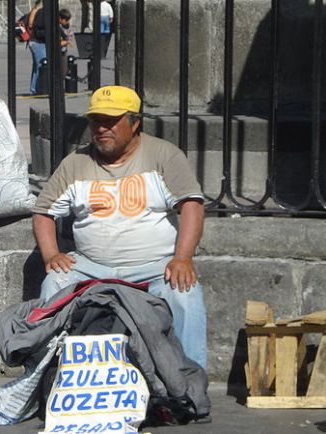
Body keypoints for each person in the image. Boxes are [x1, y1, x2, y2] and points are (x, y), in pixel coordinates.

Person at [31, 85, 208, 369]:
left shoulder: (164, 155)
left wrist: (183, 257)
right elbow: (43, 211)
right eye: (96, 121)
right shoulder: (75, 163)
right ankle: (45, 374)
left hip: (154, 265)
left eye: (111, 121)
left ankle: (189, 385)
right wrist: (51, 254)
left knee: (184, 292)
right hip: (91, 265)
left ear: (134, 122)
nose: (102, 128)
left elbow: (192, 205)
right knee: (54, 282)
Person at [28, 0, 46, 94]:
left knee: (37, 66)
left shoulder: (36, 11)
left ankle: (34, 88)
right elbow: (34, 25)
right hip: (37, 42)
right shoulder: (39, 11)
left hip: (35, 41)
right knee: (41, 65)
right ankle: (37, 89)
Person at [59, 9, 74, 78]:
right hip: (58, 51)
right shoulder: (58, 27)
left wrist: (67, 41)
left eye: (68, 20)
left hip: (64, 50)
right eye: (66, 20)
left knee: (64, 69)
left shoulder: (68, 27)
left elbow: (69, 37)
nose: (67, 22)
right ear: (60, 18)